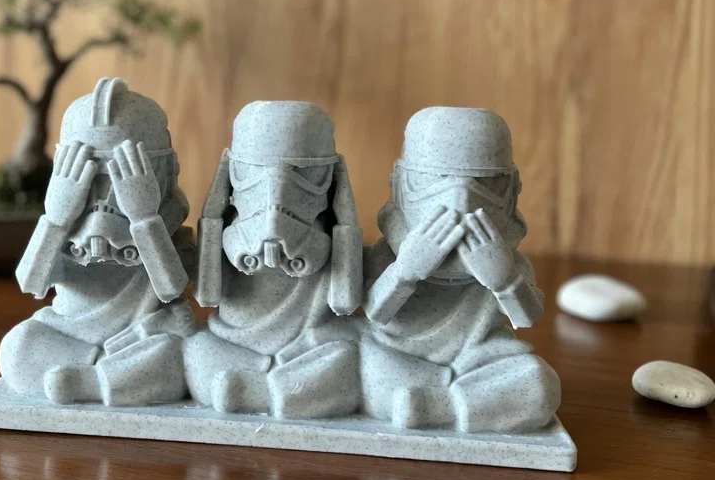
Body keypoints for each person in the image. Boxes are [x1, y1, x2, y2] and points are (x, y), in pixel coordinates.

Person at [362, 107, 561, 433]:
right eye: (435, 180)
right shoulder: (388, 254)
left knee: (539, 383)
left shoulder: (509, 261)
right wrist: (406, 270)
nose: (461, 200)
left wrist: (504, 279)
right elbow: (374, 313)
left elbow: (526, 318)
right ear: (399, 184)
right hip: (402, 358)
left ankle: (439, 407)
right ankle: (445, 402)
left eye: (484, 183)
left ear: (511, 190)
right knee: (368, 367)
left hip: (477, 362)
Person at [0, 78, 195, 406]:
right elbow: (30, 282)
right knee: (18, 348)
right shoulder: (65, 228)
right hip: (71, 335)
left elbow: (172, 289)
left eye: (119, 176)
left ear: (162, 173)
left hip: (142, 338)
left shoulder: (167, 231)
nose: (104, 195)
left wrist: (144, 218)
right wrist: (57, 218)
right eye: (91, 179)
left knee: (177, 353)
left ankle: (87, 382)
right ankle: (103, 374)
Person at [186, 101, 364, 418]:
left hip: (305, 349)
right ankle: (282, 391)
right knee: (197, 348)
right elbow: (206, 296)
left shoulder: (330, 234)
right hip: (236, 345)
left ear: (330, 175)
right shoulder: (229, 231)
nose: (277, 189)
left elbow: (345, 304)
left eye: (303, 173)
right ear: (232, 171)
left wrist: (346, 223)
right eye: (255, 172)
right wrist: (212, 215)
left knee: (349, 352)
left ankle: (253, 390)